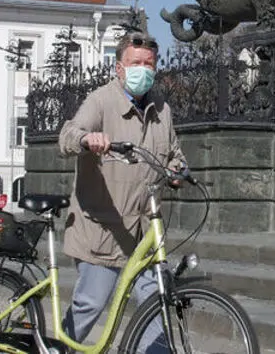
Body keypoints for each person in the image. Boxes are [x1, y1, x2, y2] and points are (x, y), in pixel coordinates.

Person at [57, 31, 187, 350]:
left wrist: (178, 171)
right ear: (119, 68)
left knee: (155, 312)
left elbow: (175, 155)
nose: (142, 69)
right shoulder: (101, 100)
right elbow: (67, 135)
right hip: (101, 230)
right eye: (135, 63)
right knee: (89, 306)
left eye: (148, 63)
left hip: (143, 236)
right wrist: (88, 140)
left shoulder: (162, 108)